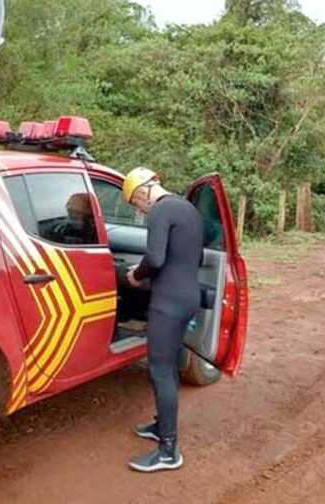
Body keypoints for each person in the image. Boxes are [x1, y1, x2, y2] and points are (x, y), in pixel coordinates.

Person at [121, 167, 204, 473]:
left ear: (142, 191)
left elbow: (155, 259)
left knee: (161, 371)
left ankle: (168, 450)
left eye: (134, 204)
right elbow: (191, 257)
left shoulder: (160, 211)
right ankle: (160, 426)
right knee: (166, 366)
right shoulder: (187, 208)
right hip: (188, 297)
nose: (138, 211)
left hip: (167, 303)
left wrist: (135, 275)